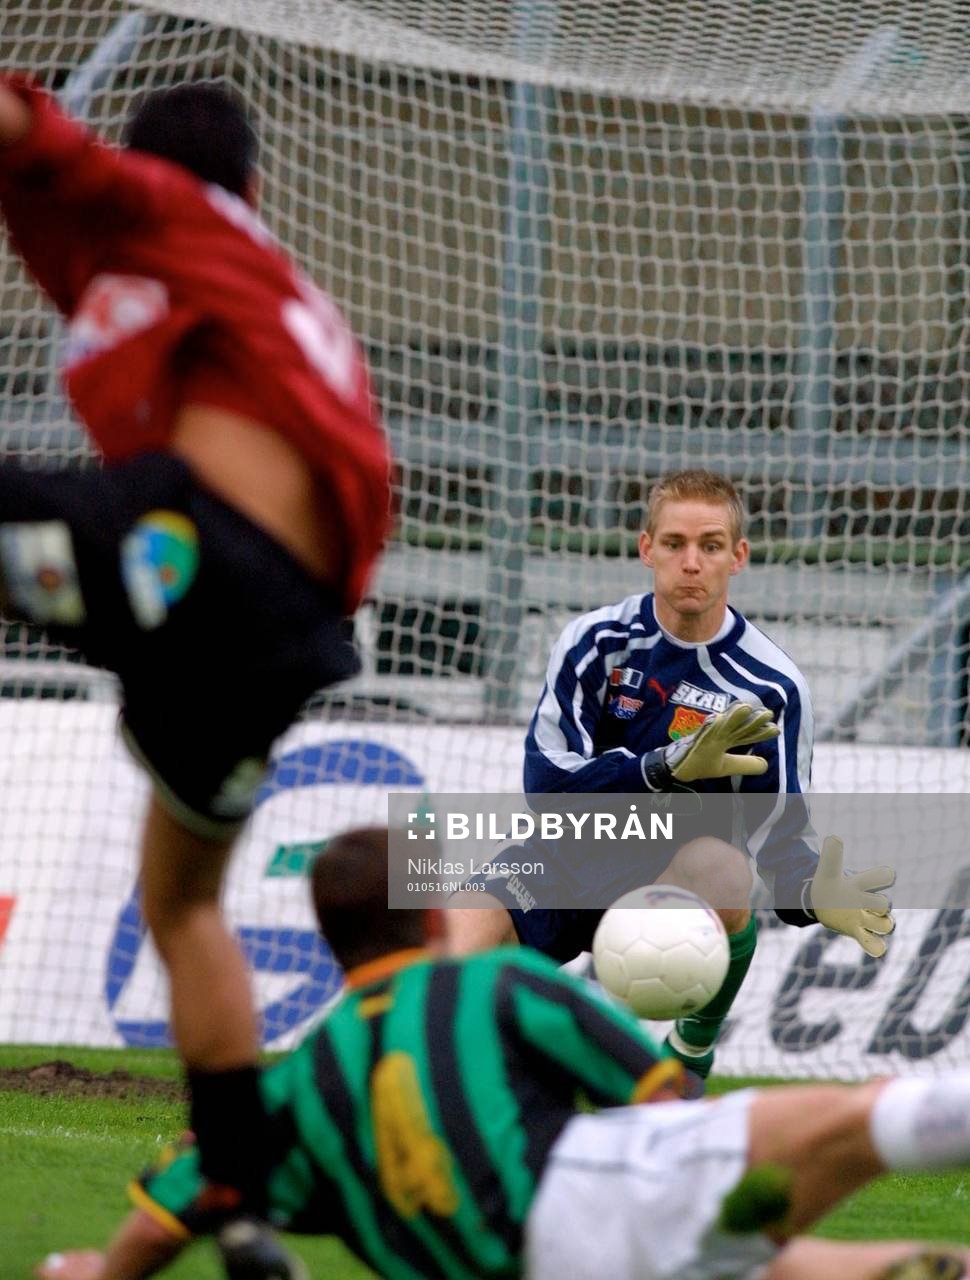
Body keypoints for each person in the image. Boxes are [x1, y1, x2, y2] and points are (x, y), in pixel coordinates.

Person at [0, 76, 391, 1274]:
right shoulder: (266, 291)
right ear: (260, 186)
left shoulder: (170, 211)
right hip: (276, 636)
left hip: (205, 551)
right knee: (182, 904)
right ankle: (235, 1186)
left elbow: (31, 135)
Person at [32, 827, 970, 1280]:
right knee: (860, 1117)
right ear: (431, 920)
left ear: (329, 944)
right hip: (602, 1204)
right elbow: (662, 1103)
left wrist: (92, 1274)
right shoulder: (498, 985)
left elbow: (164, 1215)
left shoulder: (293, 1087)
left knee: (787, 1267)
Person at [450, 469, 894, 1084]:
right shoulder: (596, 642)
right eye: (675, 544)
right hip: (560, 860)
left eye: (710, 545)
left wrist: (813, 895)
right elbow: (546, 785)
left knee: (725, 869)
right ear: (646, 548)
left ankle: (690, 1053)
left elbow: (779, 841)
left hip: (665, 883)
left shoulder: (772, 687)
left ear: (738, 556)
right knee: (446, 957)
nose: (691, 563)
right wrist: (663, 768)